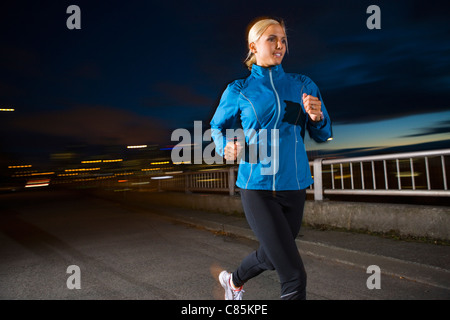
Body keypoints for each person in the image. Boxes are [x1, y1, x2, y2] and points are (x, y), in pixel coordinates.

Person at [210, 17, 332, 300]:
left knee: (273, 254)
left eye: (284, 40)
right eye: (272, 39)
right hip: (257, 186)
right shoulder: (239, 90)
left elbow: (323, 133)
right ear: (253, 46)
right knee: (293, 275)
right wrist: (223, 145)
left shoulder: (303, 84)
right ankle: (237, 282)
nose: (280, 45)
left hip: (294, 185)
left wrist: (318, 117)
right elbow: (217, 127)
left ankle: (234, 281)